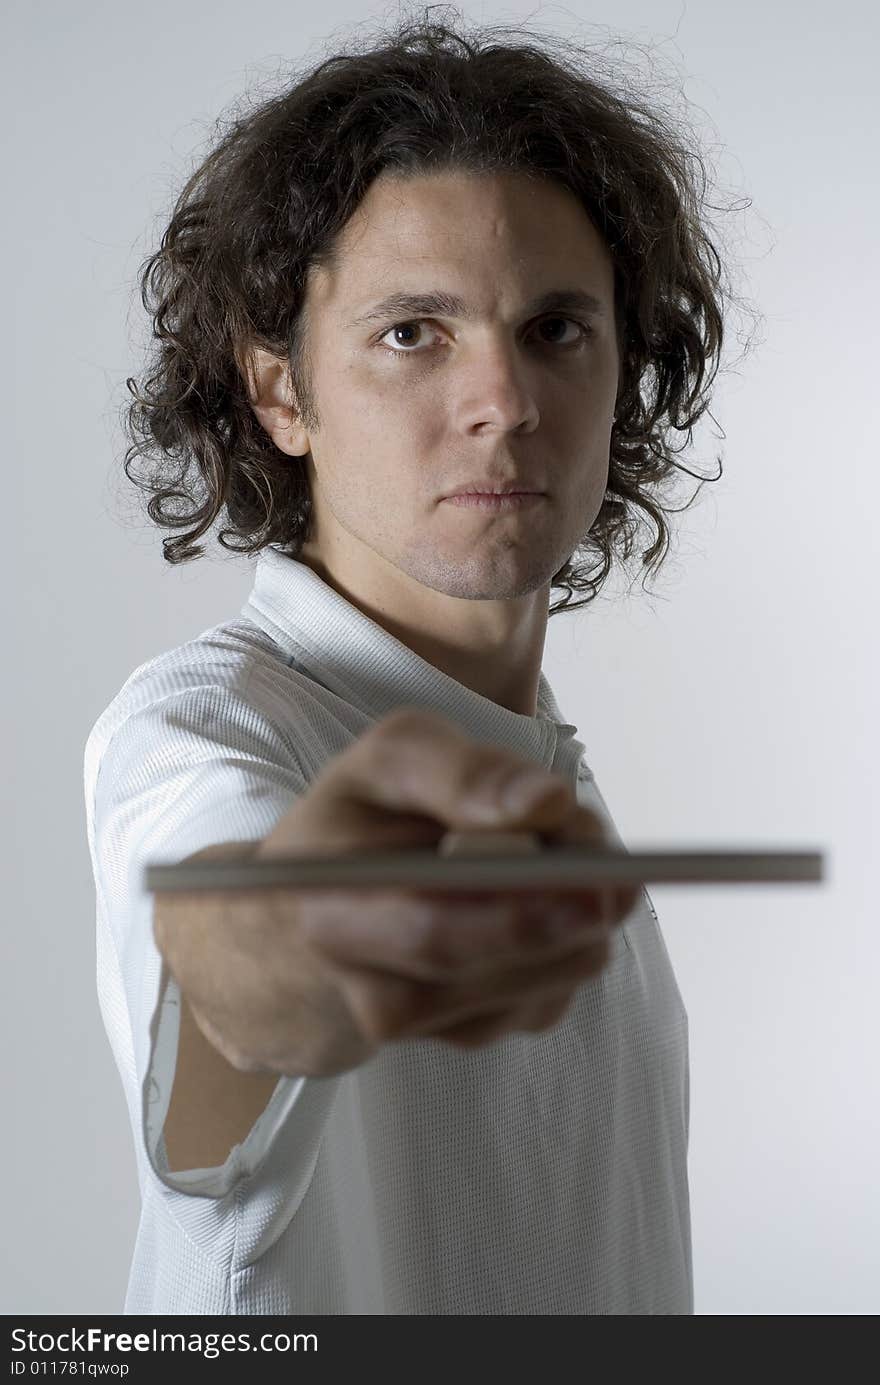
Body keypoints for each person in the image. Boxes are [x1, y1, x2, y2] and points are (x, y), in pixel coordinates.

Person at [83, 9, 731, 1315]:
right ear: (280, 390)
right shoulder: (207, 728)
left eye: (555, 329)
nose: (504, 398)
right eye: (412, 333)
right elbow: (235, 941)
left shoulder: (551, 781)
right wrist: (320, 927)